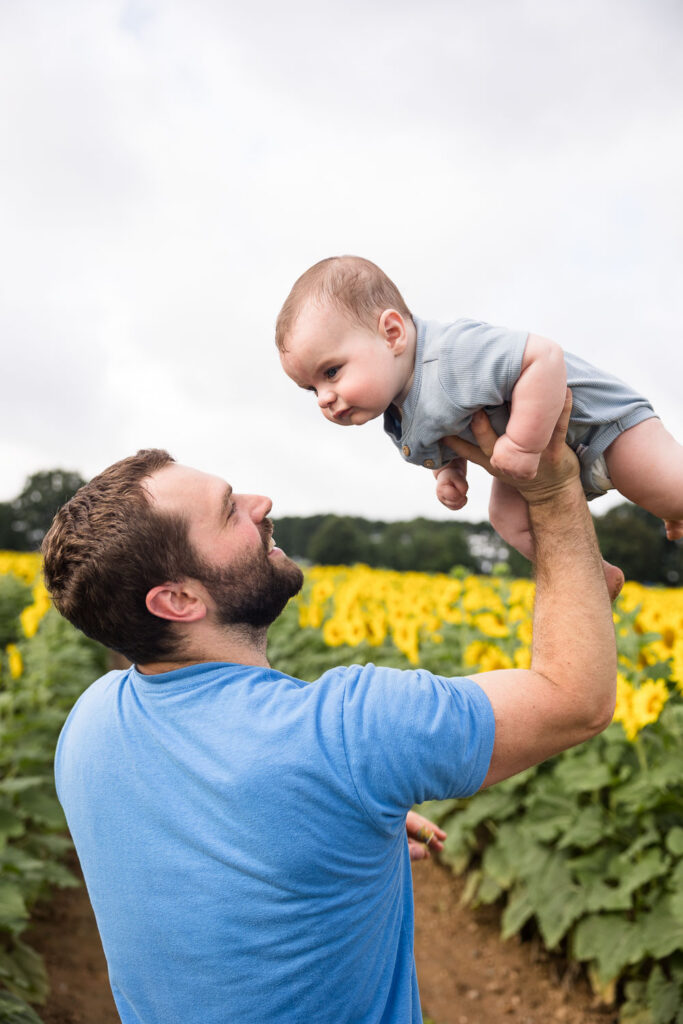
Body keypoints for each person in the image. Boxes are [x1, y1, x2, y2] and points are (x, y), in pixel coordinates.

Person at [43, 401, 616, 1024]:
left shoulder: (89, 722)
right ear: (179, 599)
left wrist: (332, 816)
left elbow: (211, 811)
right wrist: (554, 487)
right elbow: (574, 699)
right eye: (229, 510)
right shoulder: (348, 733)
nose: (260, 504)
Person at [276, 256, 683, 595]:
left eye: (331, 371)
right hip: (521, 457)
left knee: (671, 489)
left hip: (603, 428)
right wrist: (448, 472)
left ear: (393, 333)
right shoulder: (397, 408)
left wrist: (523, 444)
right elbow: (450, 430)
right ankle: (593, 574)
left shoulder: (452, 355)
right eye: (311, 389)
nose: (325, 397)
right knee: (506, 520)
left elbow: (544, 357)